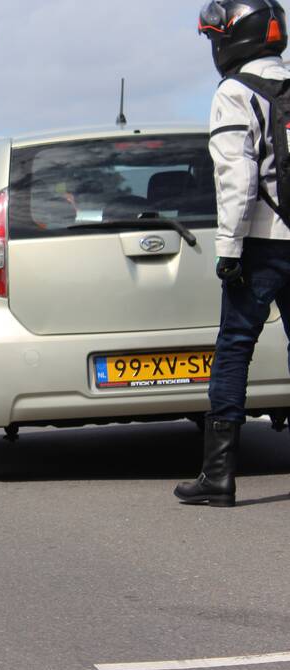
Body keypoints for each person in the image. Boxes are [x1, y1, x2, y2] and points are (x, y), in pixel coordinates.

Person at [176, 0, 290, 507]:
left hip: (262, 243)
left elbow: (236, 178)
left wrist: (229, 248)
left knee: (234, 349)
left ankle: (218, 476)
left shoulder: (235, 93)